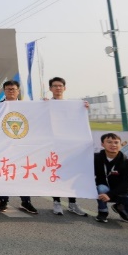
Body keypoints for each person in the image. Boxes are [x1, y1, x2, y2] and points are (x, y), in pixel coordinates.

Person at [47, 77, 88, 216]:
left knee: (70, 174)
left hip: (70, 147)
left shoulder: (73, 105)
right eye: (55, 86)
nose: (58, 88)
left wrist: (84, 108)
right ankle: (56, 202)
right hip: (54, 146)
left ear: (64, 88)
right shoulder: (46, 104)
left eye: (60, 86)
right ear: (50, 89)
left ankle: (72, 203)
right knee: (55, 174)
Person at [0, 80, 38, 214]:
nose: (11, 91)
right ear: (4, 91)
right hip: (4, 146)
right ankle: (3, 200)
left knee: (23, 174)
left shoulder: (26, 107)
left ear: (18, 91)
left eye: (13, 89)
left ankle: (26, 201)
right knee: (4, 173)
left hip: (22, 146)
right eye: (8, 89)